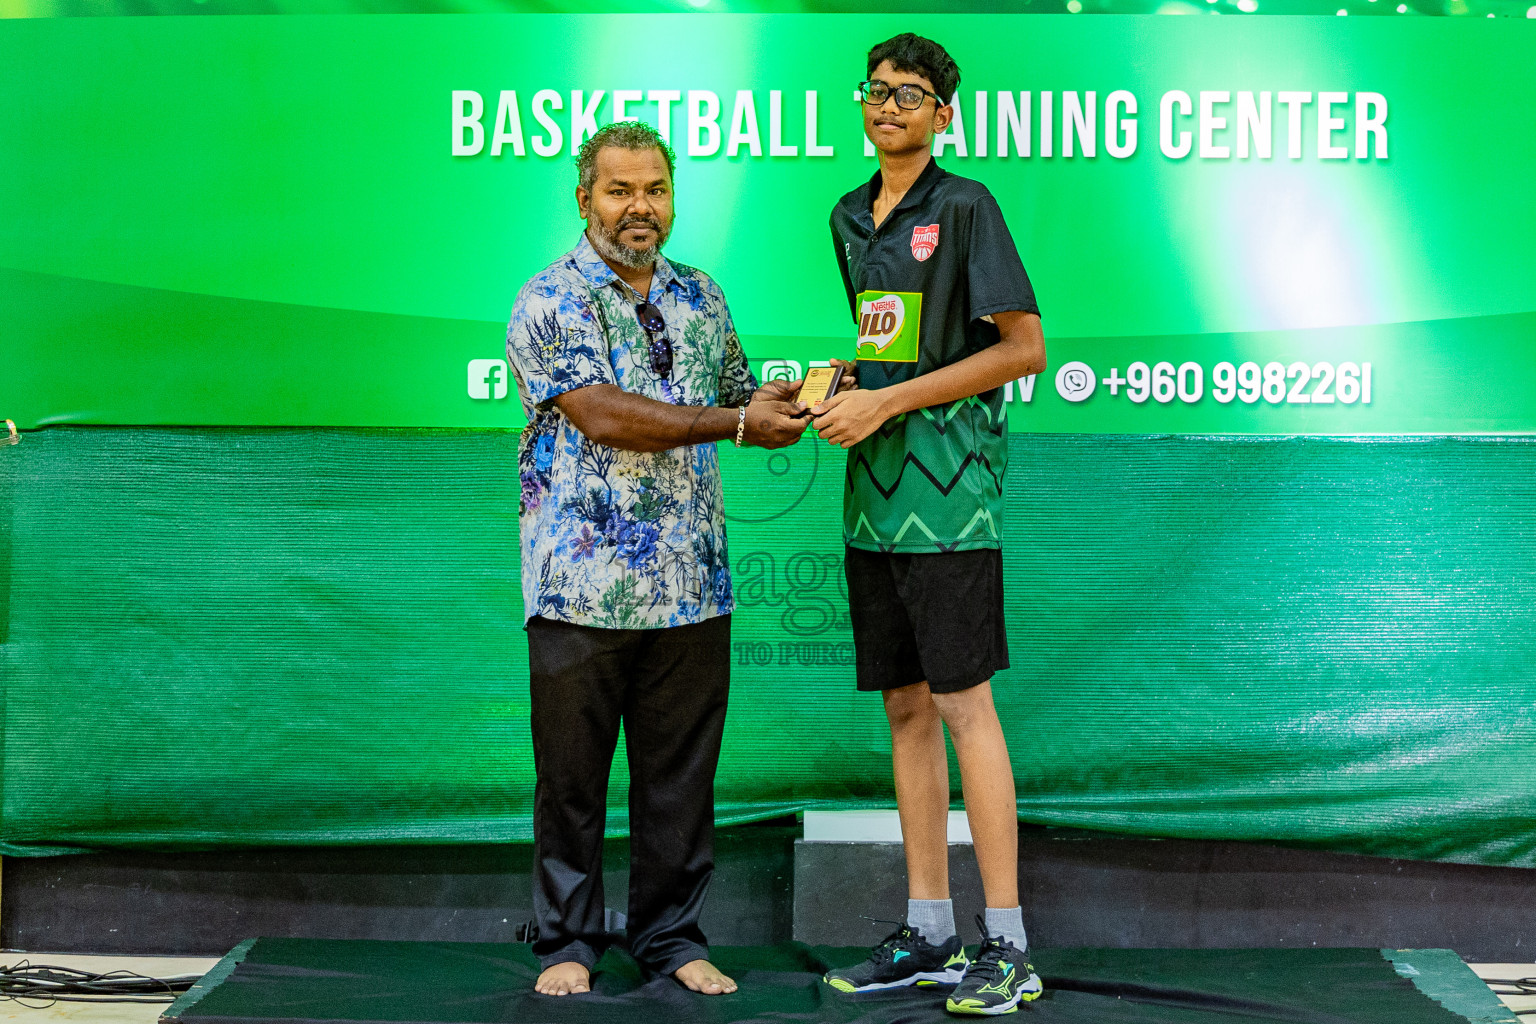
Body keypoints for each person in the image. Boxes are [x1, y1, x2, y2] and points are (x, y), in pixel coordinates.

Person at [504, 120, 808, 999]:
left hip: (691, 586)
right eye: (620, 190)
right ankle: (568, 943)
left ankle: (673, 940)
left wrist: (795, 399)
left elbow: (734, 396)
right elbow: (605, 414)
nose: (641, 207)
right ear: (585, 199)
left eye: (656, 190)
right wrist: (736, 421)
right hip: (579, 590)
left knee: (680, 784)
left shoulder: (703, 295)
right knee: (571, 784)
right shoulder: (549, 297)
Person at [812, 33, 1049, 1017]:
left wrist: (892, 403)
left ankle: (1009, 944)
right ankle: (931, 930)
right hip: (872, 500)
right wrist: (833, 386)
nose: (889, 106)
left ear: (945, 112)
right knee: (905, 710)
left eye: (911, 94)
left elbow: (1023, 349)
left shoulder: (966, 205)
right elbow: (887, 350)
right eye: (876, 91)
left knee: (964, 708)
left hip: (952, 498)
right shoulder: (845, 215)